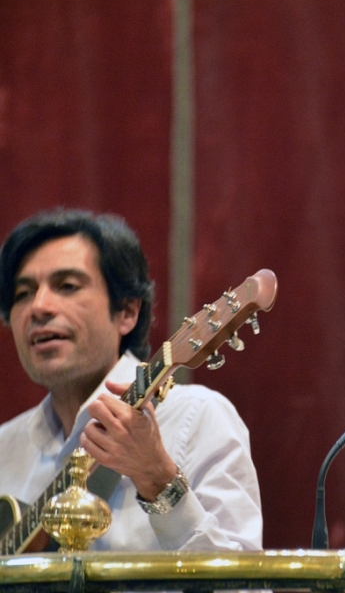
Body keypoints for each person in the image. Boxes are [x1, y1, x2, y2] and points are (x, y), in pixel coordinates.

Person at [0, 208, 263, 552]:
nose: (39, 306)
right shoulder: (6, 447)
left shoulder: (197, 418)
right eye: (23, 293)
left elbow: (243, 588)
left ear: (127, 312)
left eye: (66, 286)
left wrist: (158, 479)